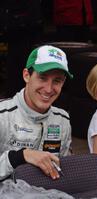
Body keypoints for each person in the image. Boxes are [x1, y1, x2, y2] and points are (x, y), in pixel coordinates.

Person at [0, 45, 73, 181]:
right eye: (43, 78)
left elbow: (64, 171)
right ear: (26, 75)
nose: (49, 89)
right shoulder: (2, 115)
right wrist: (20, 156)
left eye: (57, 81)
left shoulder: (62, 119)